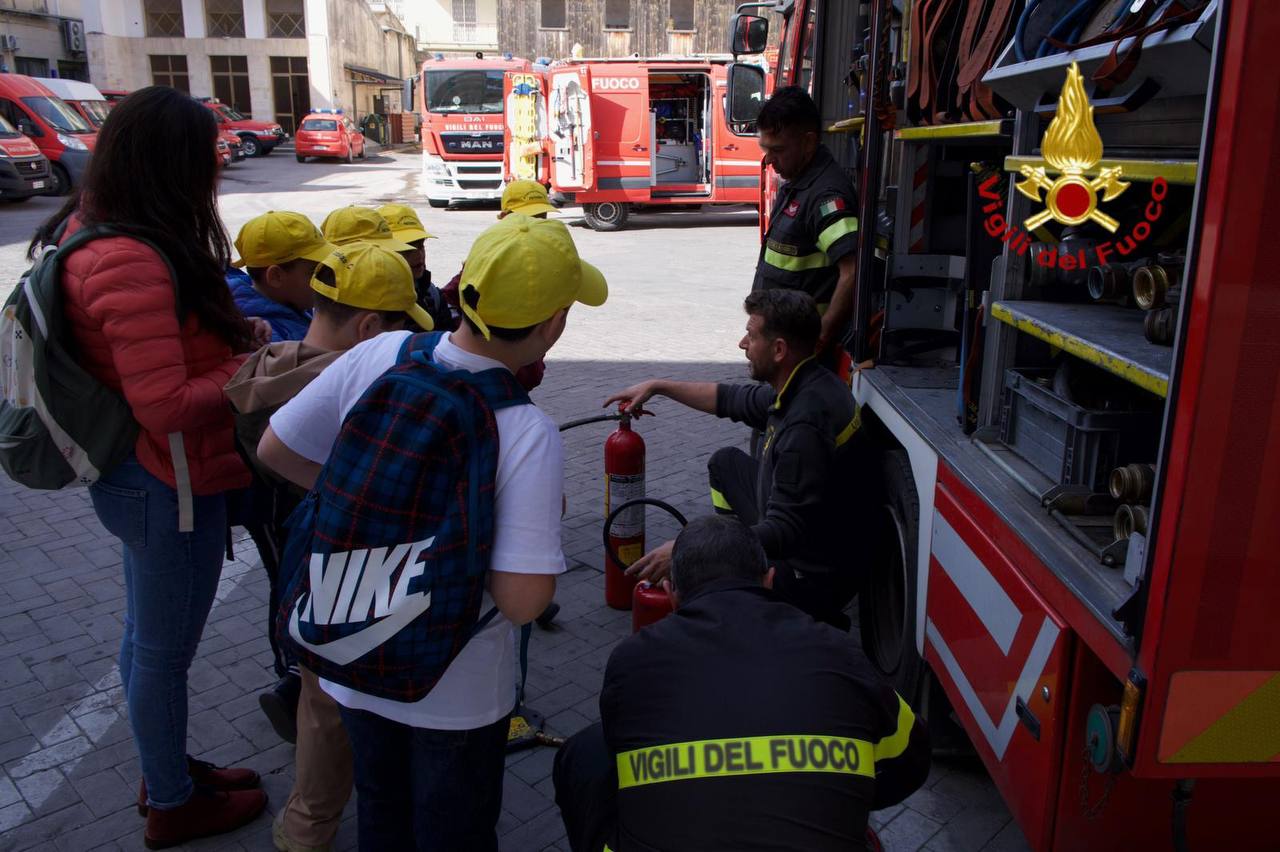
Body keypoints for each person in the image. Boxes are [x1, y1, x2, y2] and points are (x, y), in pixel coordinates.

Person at [257, 214, 607, 851]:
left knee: (383, 816)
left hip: (351, 658)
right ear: (554, 324)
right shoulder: (524, 431)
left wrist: (367, 504)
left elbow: (276, 449)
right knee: (454, 830)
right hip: (455, 691)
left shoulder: (378, 352)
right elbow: (522, 601)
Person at [31, 86, 268, 848]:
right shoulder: (126, 258)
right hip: (165, 484)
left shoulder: (105, 230)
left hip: (152, 479)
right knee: (164, 654)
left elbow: (164, 358)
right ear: (168, 166)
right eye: (207, 160)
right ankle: (170, 801)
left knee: (146, 641)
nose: (218, 173)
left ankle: (166, 766)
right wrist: (252, 370)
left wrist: (233, 343)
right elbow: (165, 403)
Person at [552, 516, 930, 852]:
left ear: (671, 594)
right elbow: (911, 760)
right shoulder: (838, 651)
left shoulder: (630, 660)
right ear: (768, 580)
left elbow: (621, 747)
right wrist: (839, 799)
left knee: (586, 752)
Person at [225, 241, 419, 852]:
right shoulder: (354, 378)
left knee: (318, 692)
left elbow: (273, 454)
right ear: (368, 326)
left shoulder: (276, 358)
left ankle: (306, 823)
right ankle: (319, 823)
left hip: (295, 549)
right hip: (341, 552)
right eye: (396, 328)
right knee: (341, 694)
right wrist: (356, 500)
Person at [605, 289, 865, 627]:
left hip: (812, 569)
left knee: (712, 563)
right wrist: (659, 386)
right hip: (812, 526)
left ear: (779, 349)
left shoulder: (806, 423)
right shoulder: (804, 381)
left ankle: (751, 587)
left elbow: (786, 530)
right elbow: (730, 399)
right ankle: (736, 553)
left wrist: (693, 549)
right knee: (725, 462)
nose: (742, 343)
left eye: (751, 335)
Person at [754, 86, 860, 357]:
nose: (769, 160)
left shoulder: (825, 196)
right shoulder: (800, 182)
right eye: (766, 149)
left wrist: (821, 338)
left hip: (803, 354)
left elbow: (853, 271)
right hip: (784, 347)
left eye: (778, 150)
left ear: (809, 142)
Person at [225, 211, 335, 342]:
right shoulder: (266, 336)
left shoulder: (295, 303)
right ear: (276, 276)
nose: (326, 280)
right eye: (314, 272)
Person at [377, 202, 452, 331]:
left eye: (421, 245)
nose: (419, 254)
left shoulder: (431, 294)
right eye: (407, 248)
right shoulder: (368, 303)